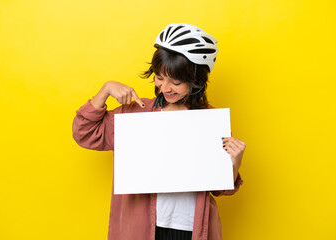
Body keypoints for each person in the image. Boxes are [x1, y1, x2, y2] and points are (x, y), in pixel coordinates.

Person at [72, 23, 246, 240]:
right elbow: (85, 132)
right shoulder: (136, 113)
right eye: (160, 78)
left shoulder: (209, 119)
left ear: (196, 82)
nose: (166, 88)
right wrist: (105, 90)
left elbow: (221, 188)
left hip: (190, 229)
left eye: (176, 81)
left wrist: (234, 162)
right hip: (142, 229)